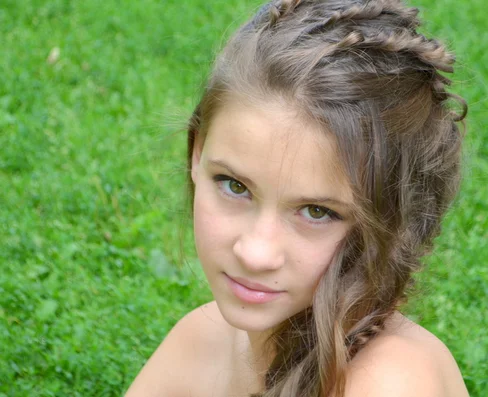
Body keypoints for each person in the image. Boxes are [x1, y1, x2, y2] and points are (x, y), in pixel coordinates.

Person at [126, 0, 470, 395]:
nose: (255, 253)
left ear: (389, 217)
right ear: (197, 155)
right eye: (234, 185)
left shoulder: (388, 381)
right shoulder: (199, 344)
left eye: (317, 212)